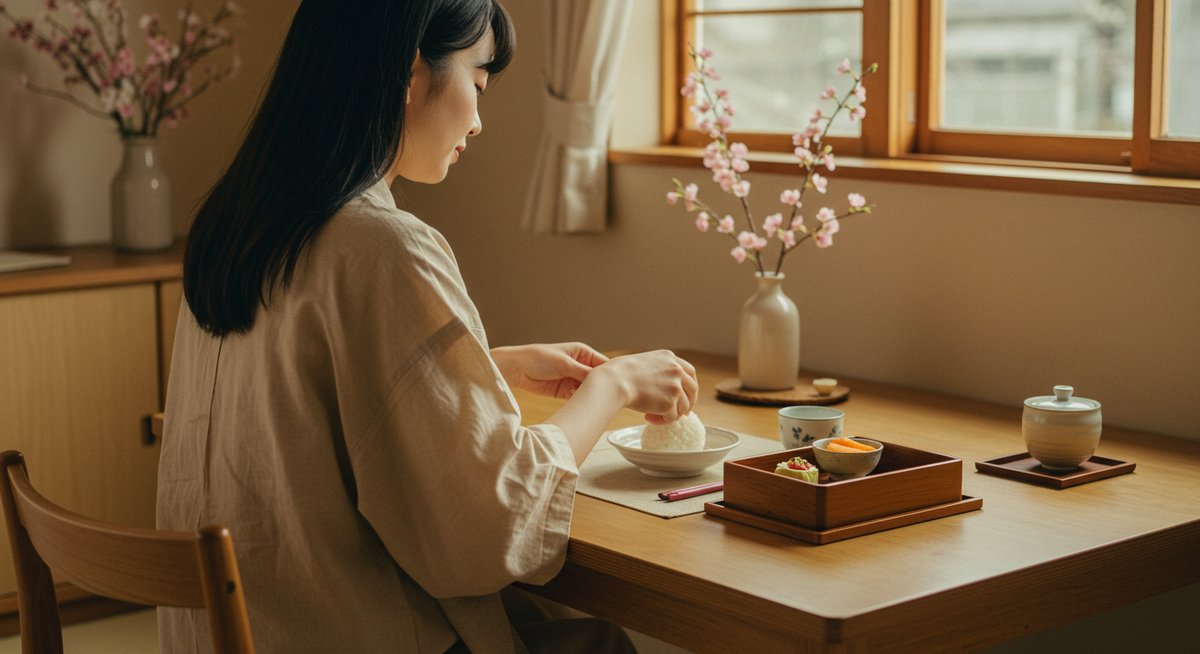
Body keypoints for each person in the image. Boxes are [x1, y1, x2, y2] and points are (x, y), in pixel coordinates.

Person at [157, 1, 698, 652]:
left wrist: (485, 365)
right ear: (412, 72)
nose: (477, 121)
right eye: (475, 84)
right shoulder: (381, 246)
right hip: (343, 631)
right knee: (596, 643)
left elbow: (289, 405)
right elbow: (488, 527)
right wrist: (611, 386)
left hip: (237, 631)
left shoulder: (236, 226)